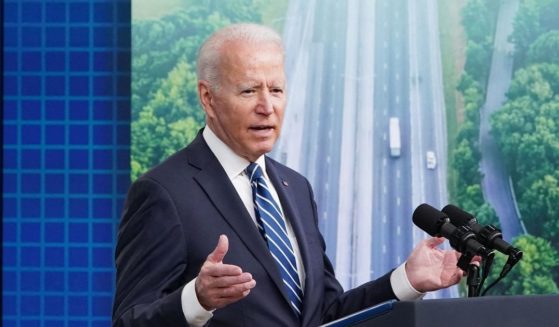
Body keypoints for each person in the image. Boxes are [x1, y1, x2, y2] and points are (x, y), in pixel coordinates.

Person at [112, 23, 467, 326]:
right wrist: (196, 300)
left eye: (277, 90)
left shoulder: (294, 186)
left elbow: (325, 313)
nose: (267, 107)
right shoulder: (163, 192)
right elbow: (129, 319)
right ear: (208, 98)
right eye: (249, 90)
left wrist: (406, 279)